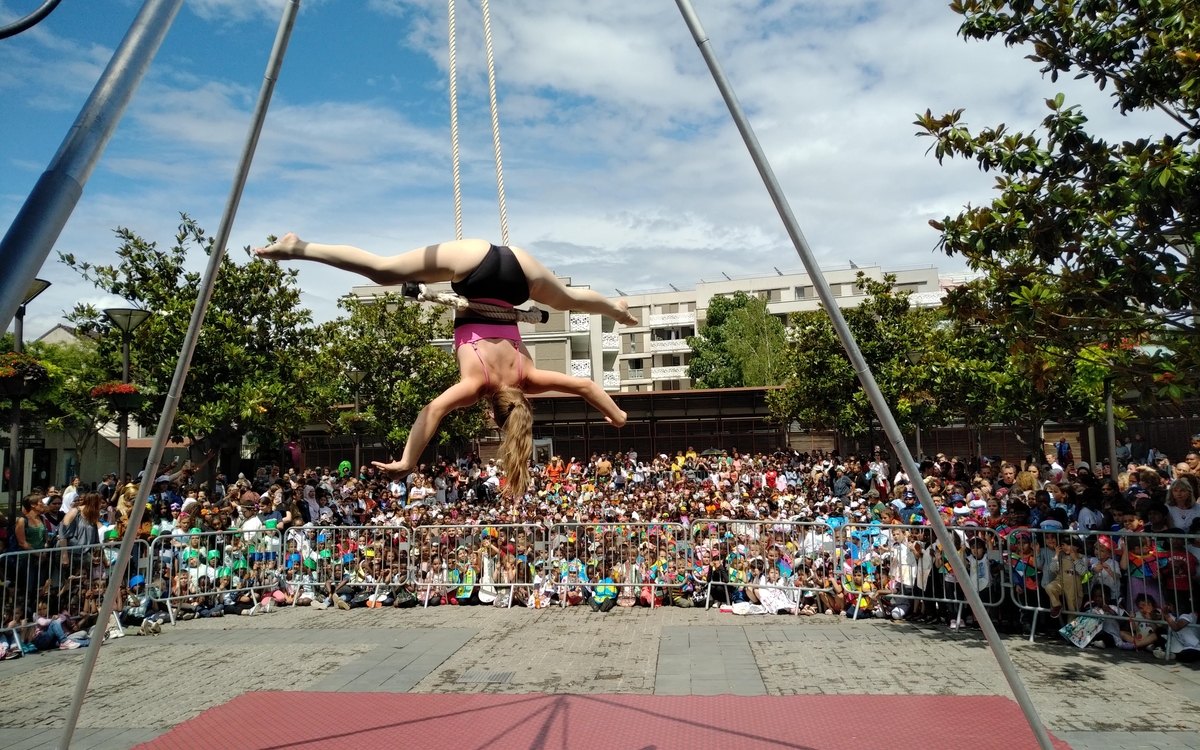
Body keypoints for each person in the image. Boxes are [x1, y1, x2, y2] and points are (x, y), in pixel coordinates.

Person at [255, 234, 633, 499]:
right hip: (476, 271)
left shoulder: (527, 377)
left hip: (518, 269)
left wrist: (617, 416)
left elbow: (586, 387)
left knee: (568, 299)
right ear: (493, 411)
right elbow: (432, 410)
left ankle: (613, 308)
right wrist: (407, 461)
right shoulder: (476, 384)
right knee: (384, 271)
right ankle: (296, 248)